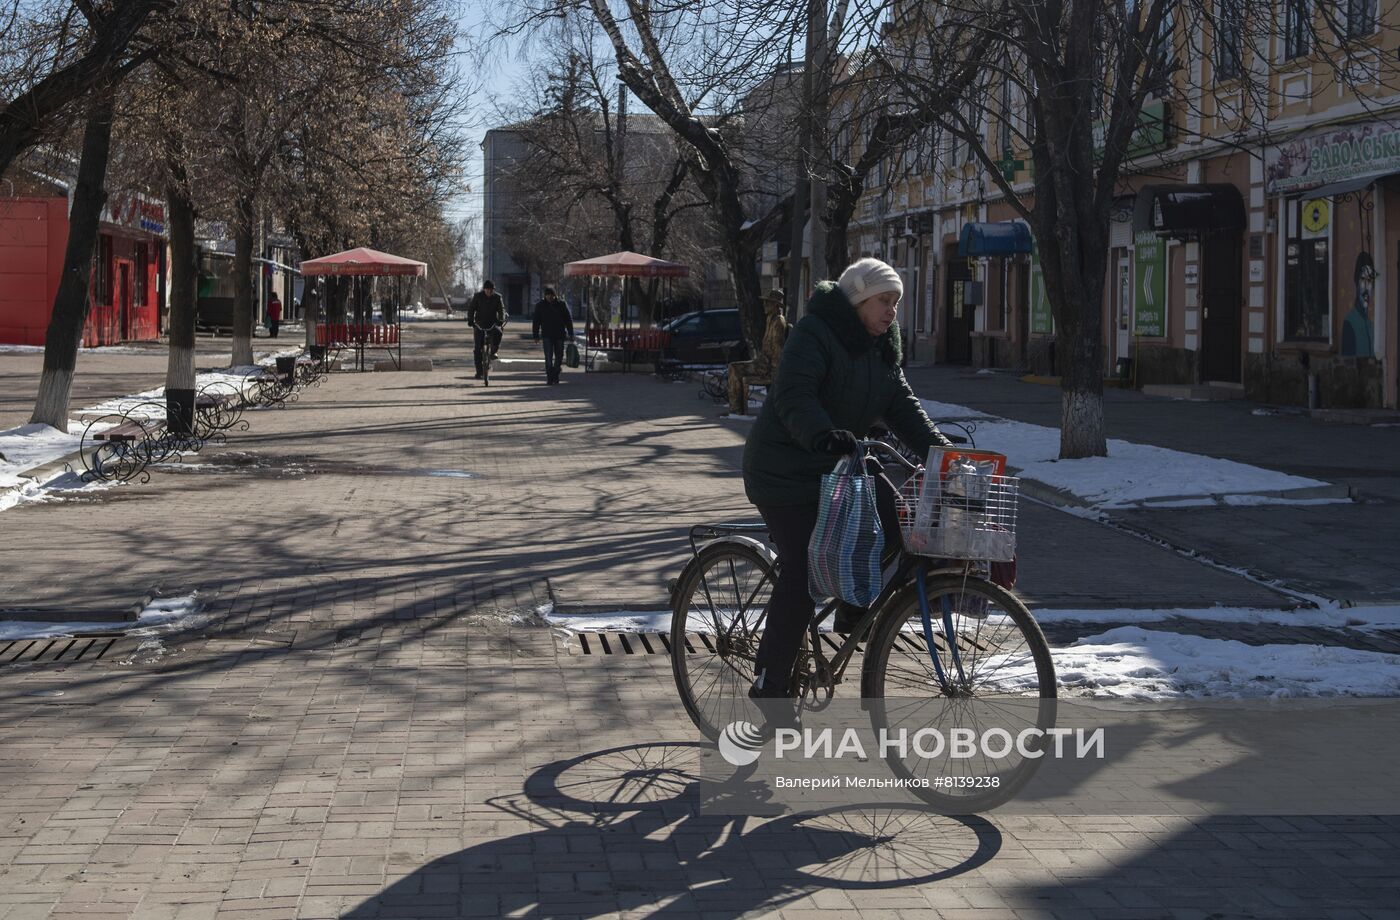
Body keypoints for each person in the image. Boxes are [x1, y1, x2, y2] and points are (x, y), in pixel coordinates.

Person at [742, 257, 953, 704]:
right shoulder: (815, 333)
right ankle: (769, 684)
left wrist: (943, 450)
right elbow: (793, 393)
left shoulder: (882, 348)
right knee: (801, 574)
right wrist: (822, 434)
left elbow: (902, 406)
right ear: (857, 299)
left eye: (896, 303)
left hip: (840, 468)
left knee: (898, 524)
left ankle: (852, 610)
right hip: (784, 472)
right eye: (883, 301)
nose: (892, 311)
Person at [727, 288, 790, 415]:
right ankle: (737, 409)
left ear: (775, 305)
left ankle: (736, 410)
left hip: (767, 367)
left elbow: (778, 350)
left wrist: (775, 374)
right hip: (762, 362)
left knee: (734, 368)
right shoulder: (770, 319)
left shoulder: (778, 322)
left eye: (768, 302)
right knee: (734, 368)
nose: (764, 305)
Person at [532, 287, 574, 384]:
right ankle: (550, 377)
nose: (550, 297)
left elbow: (568, 319)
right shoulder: (540, 306)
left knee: (559, 357)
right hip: (547, 335)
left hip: (559, 335)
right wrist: (535, 335)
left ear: (555, 296)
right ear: (545, 296)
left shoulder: (561, 305)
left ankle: (556, 373)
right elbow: (536, 321)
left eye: (552, 295)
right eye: (548, 295)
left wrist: (571, 333)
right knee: (548, 357)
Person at [467, 280, 507, 379]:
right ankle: (479, 371)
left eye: (491, 290)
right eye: (487, 289)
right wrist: (470, 320)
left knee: (499, 332)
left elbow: (501, 309)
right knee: (477, 349)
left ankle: (493, 351)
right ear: (484, 289)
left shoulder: (497, 297)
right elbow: (471, 309)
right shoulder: (477, 296)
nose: (489, 291)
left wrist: (501, 320)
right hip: (480, 324)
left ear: (493, 290)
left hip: (492, 323)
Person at [1342, 251, 1376, 358]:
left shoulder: (1371, 326)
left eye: (1370, 281)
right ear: (1356, 282)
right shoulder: (1349, 324)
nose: (1366, 287)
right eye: (1363, 279)